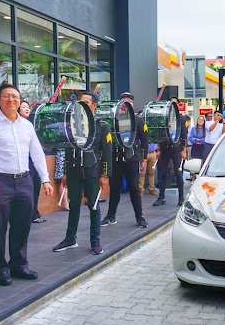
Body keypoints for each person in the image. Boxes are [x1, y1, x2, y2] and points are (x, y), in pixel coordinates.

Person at [0, 84, 53, 286]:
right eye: (6, 96)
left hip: (24, 180)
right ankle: (0, 268)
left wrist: (45, 179)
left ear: (19, 101)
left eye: (15, 97)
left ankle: (18, 265)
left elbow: (37, 153)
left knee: (22, 225)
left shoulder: (26, 126)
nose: (11, 100)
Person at [53, 92, 112, 255]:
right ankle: (70, 239)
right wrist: (65, 172)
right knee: (74, 205)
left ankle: (95, 241)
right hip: (74, 169)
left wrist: (105, 174)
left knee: (93, 205)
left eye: (86, 102)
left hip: (93, 169)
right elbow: (67, 148)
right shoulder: (72, 123)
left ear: (94, 106)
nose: (81, 105)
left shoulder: (102, 126)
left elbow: (107, 152)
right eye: (80, 102)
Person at [101, 92, 149, 229]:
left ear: (132, 104)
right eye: (124, 101)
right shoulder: (113, 119)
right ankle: (111, 216)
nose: (127, 104)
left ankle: (140, 217)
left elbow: (145, 140)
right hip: (115, 158)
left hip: (132, 157)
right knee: (114, 188)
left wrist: (143, 158)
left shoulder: (138, 120)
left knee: (134, 188)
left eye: (130, 102)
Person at [153, 97, 188, 207]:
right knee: (163, 173)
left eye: (175, 103)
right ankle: (161, 197)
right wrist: (158, 149)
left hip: (177, 148)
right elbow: (160, 134)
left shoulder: (182, 119)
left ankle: (181, 197)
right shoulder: (164, 117)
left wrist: (184, 150)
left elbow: (184, 136)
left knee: (178, 173)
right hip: (165, 147)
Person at [18, 100, 46, 224]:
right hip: (24, 162)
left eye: (27, 107)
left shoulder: (31, 124)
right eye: (23, 107)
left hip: (34, 160)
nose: (26, 109)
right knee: (28, 189)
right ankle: (31, 214)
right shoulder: (18, 125)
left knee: (36, 187)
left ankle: (34, 212)